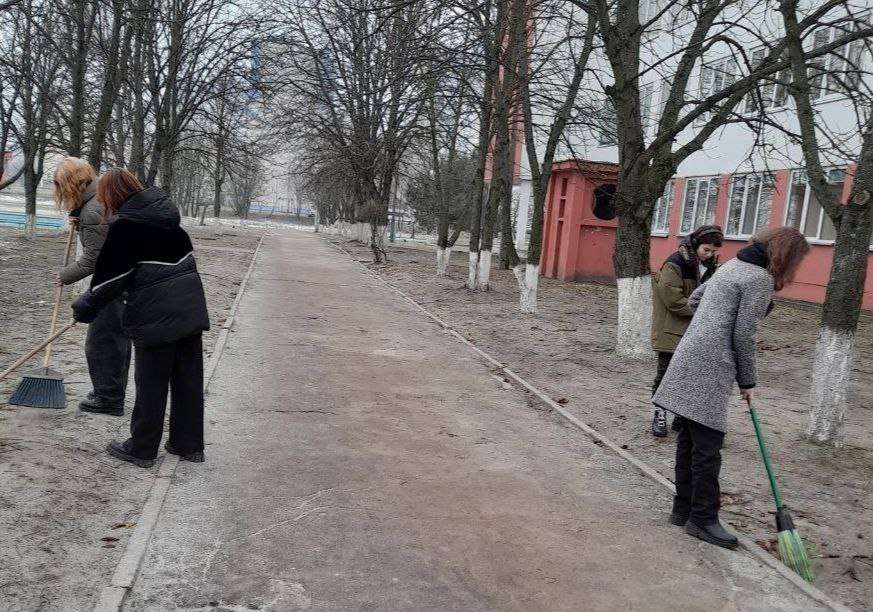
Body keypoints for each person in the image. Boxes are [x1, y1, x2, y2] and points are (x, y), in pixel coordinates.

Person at [653, 227, 809, 549]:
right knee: (708, 447)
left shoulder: (732, 266)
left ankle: (682, 510)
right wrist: (747, 380)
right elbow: (744, 335)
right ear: (786, 256)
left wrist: (712, 321)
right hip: (711, 364)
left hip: (690, 352)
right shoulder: (759, 279)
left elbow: (695, 299)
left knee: (690, 439)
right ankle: (703, 519)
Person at [71, 168, 210, 468]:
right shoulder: (171, 224)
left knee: (151, 384)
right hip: (190, 311)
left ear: (111, 196)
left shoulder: (126, 229)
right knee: (188, 381)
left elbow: (109, 281)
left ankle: (142, 449)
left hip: (155, 317)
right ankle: (189, 446)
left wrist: (84, 307)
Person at [53, 158, 133, 416]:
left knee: (102, 340)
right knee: (117, 339)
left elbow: (93, 259)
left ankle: (108, 399)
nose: (59, 192)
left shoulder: (92, 210)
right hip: (126, 277)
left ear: (70, 184)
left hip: (113, 281)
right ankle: (111, 393)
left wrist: (64, 276)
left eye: (59, 185)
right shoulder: (99, 199)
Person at [650, 225, 724, 437]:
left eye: (713, 251)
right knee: (665, 376)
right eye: (706, 250)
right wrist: (704, 310)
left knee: (689, 376)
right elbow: (673, 300)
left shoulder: (710, 267)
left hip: (694, 331)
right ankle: (660, 414)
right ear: (696, 245)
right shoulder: (675, 263)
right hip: (671, 330)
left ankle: (681, 417)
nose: (709, 255)